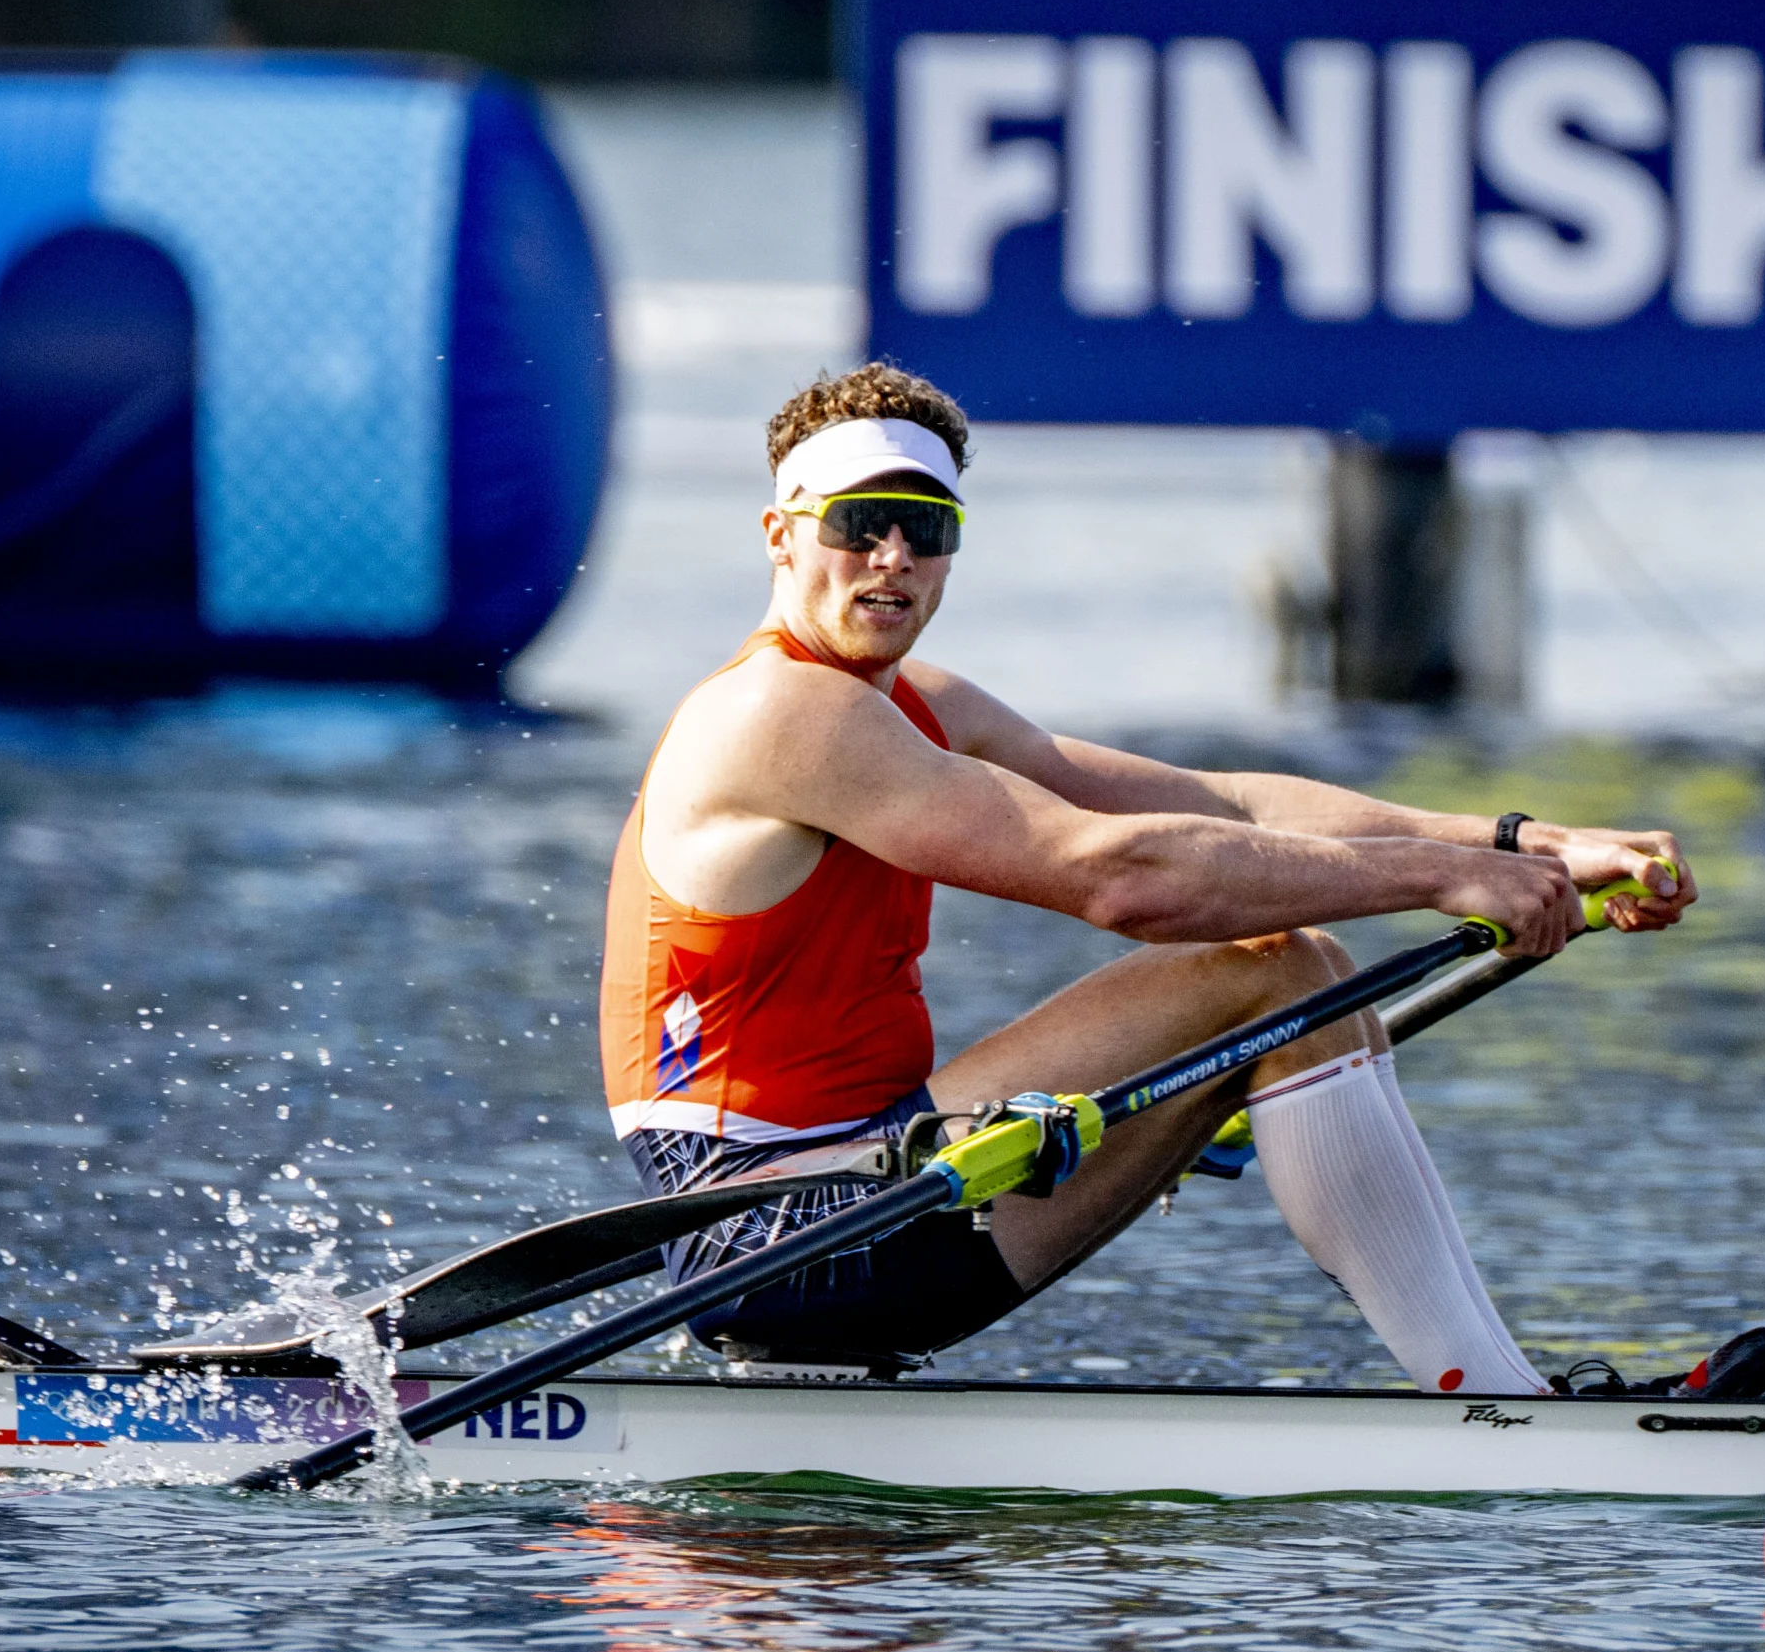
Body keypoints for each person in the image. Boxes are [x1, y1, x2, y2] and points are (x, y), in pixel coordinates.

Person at [600, 363, 1694, 1394]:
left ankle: (1497, 1393)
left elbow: (1226, 807)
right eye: (857, 523)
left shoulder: (919, 701)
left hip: (881, 1175)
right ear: (781, 536)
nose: (893, 555)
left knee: (1306, 974)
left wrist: (1524, 844)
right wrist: (1439, 879)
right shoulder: (779, 711)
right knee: (1271, 968)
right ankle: (1497, 1406)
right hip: (768, 1232)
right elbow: (1122, 879)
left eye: (925, 527)